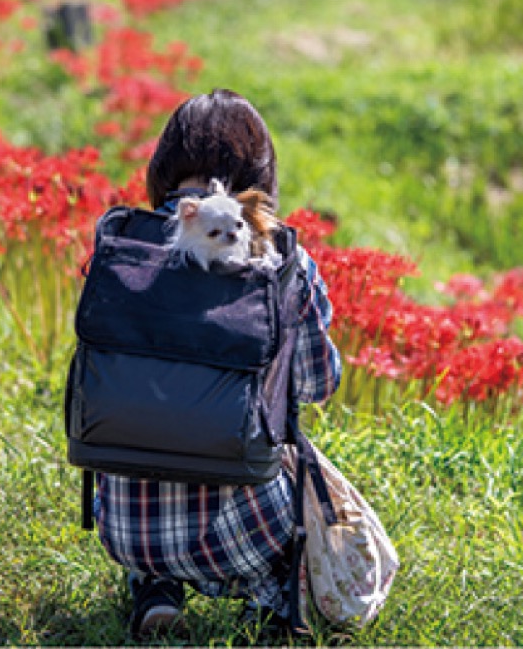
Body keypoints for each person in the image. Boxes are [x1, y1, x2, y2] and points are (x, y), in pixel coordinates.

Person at [91, 89, 343, 640]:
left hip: (124, 528)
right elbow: (317, 383)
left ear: (164, 165)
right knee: (287, 476)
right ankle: (267, 599)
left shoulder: (119, 243)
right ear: (260, 176)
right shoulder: (286, 261)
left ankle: (153, 584)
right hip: (246, 533)